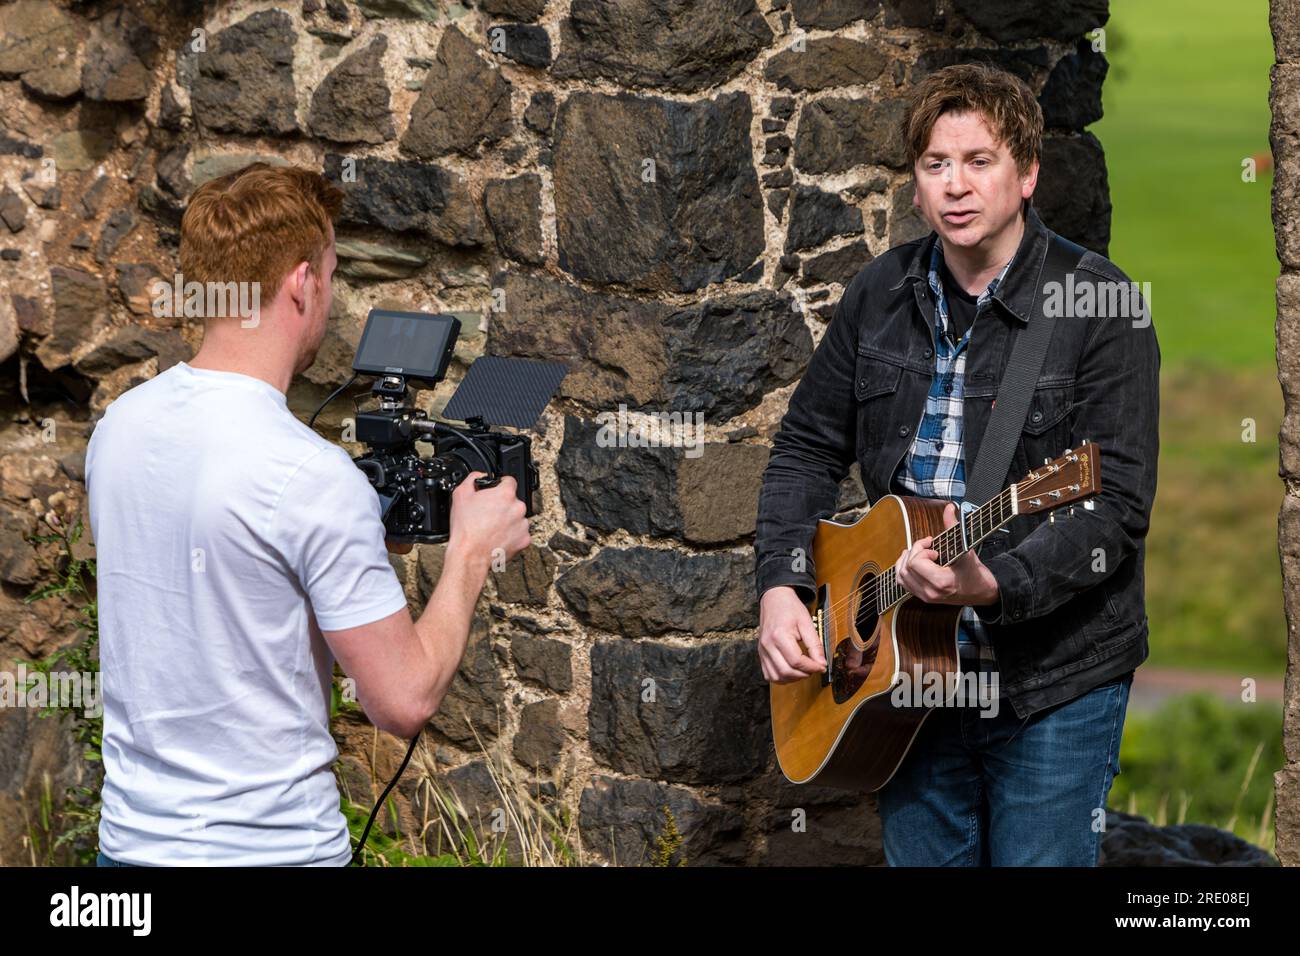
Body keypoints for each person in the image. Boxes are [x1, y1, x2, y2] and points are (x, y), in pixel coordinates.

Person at [754, 63, 1159, 866]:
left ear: (1028, 174)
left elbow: (1112, 507)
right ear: (915, 187)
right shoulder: (882, 292)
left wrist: (992, 585)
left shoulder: (1100, 306)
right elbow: (804, 447)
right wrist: (780, 585)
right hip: (906, 681)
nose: (957, 186)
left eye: (981, 161)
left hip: (1052, 685)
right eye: (937, 165)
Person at [85, 163, 530, 866]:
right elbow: (403, 700)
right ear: (301, 283)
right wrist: (472, 552)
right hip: (272, 851)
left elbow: (211, 586)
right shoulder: (308, 475)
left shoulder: (118, 427)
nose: (330, 293)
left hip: (130, 849)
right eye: (330, 273)